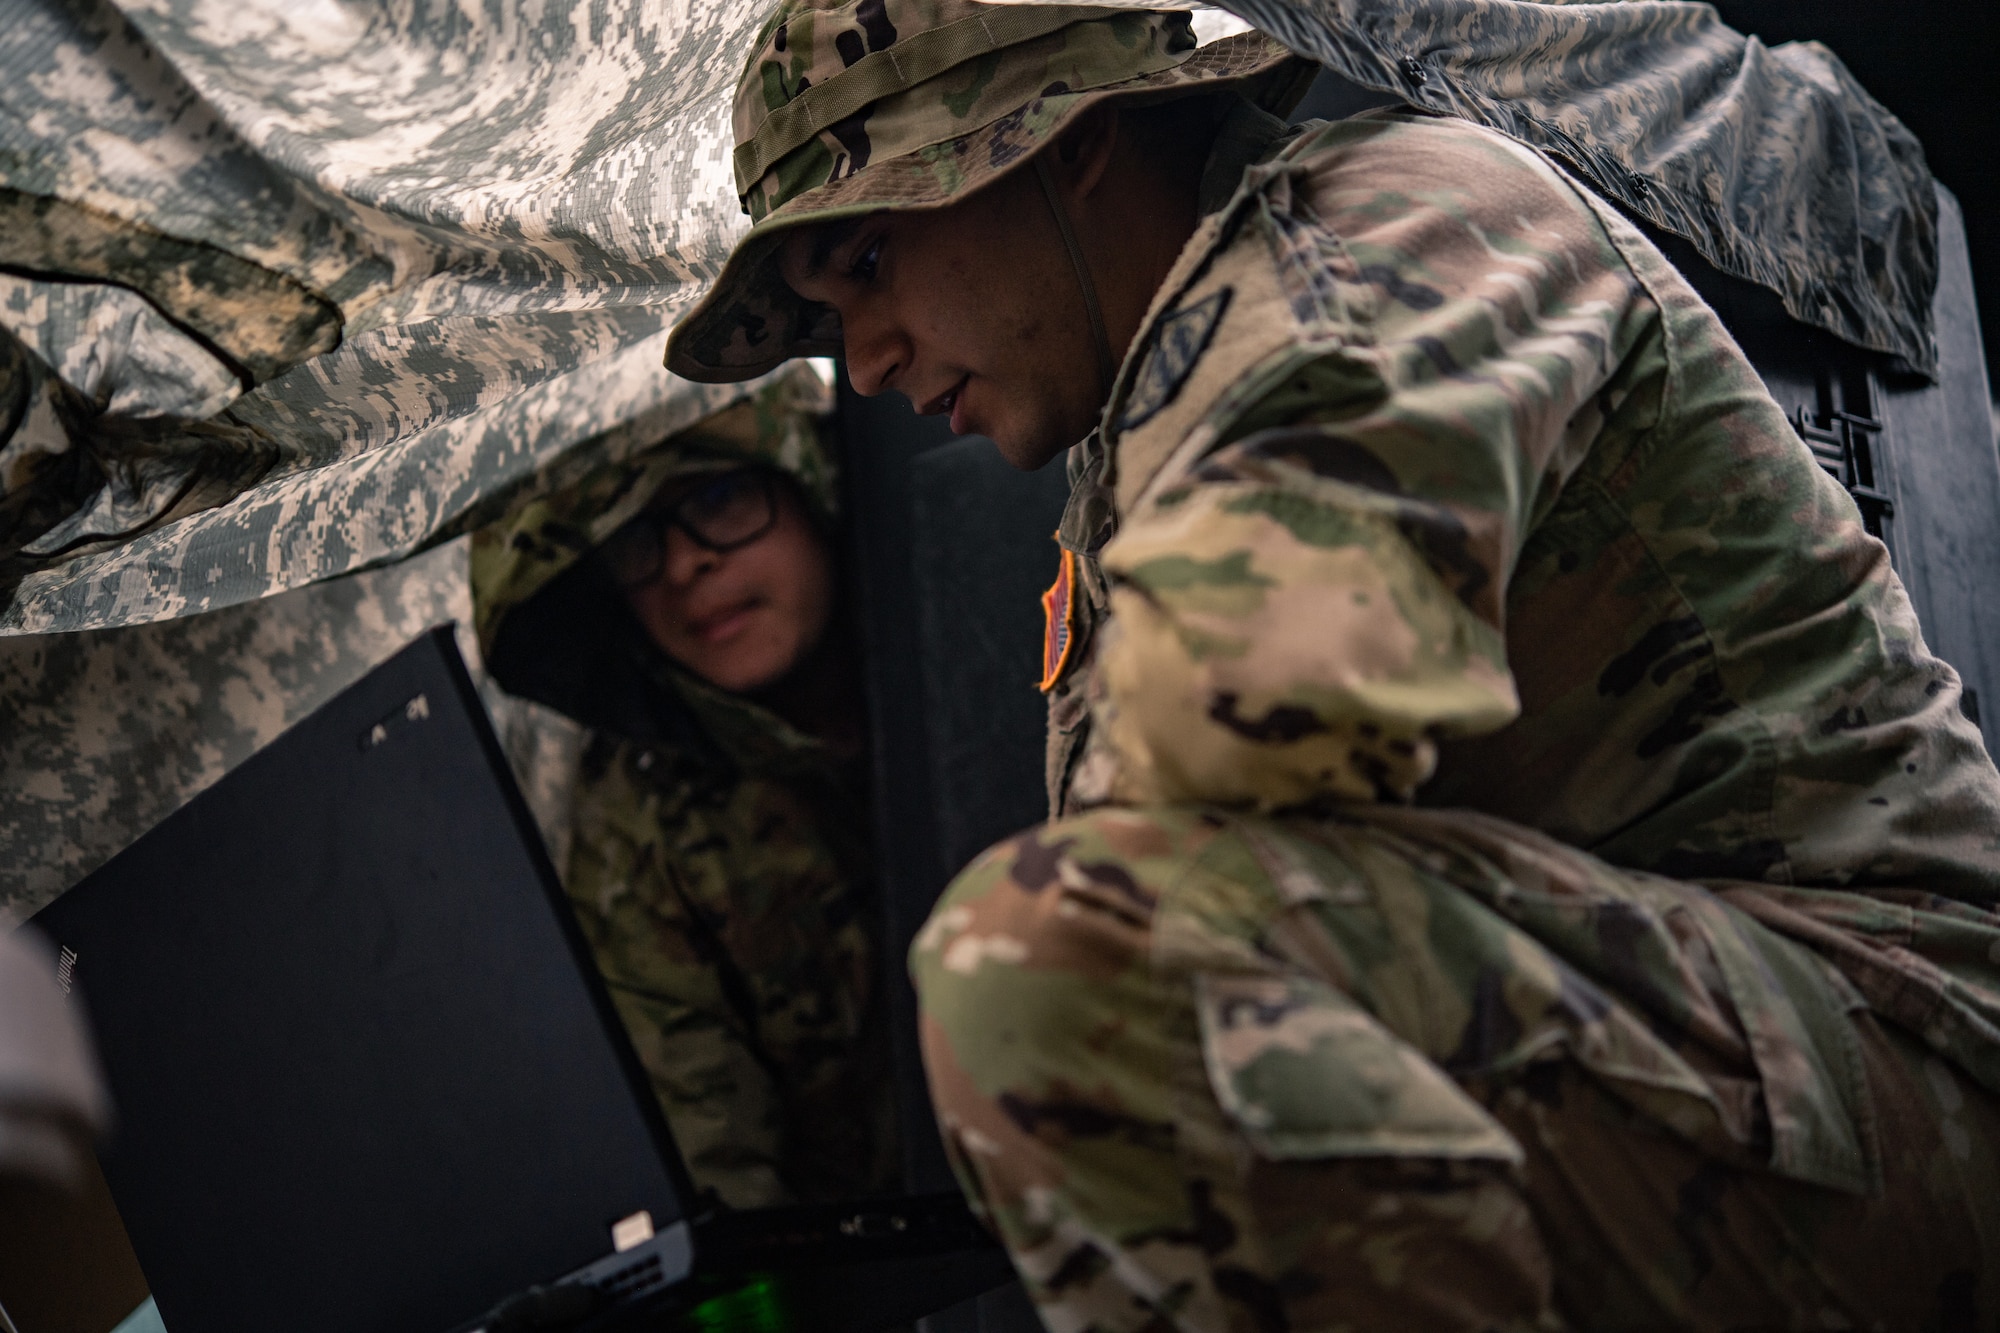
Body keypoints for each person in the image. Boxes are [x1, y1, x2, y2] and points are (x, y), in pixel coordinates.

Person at [662, 2, 2000, 1329]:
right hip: (1724, 1082)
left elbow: (1228, 763)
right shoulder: (1148, 418)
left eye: (877, 260)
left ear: (1061, 142)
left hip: (1903, 1075)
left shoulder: (1378, 228)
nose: (870, 358)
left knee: (1049, 968)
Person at [470, 364, 895, 1210]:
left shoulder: (993, 607)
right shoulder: (643, 829)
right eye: (633, 542)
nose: (683, 565)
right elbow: (715, 1172)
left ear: (811, 486)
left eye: (722, 499)